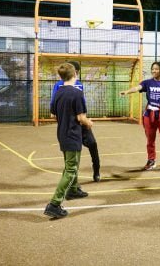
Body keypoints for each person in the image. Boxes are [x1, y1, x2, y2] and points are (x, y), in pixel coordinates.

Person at [44, 63, 93, 219]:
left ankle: (73, 191)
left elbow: (53, 114)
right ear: (75, 74)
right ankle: (54, 204)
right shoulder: (76, 93)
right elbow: (80, 117)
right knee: (71, 169)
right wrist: (89, 122)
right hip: (72, 134)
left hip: (62, 133)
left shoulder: (58, 92)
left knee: (71, 164)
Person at [50, 61, 101, 182]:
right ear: (73, 72)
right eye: (75, 71)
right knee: (71, 153)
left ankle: (97, 170)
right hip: (70, 126)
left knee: (92, 144)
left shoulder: (79, 86)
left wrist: (85, 120)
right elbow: (53, 108)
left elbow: (81, 105)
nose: (76, 73)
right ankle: (72, 184)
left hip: (81, 123)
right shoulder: (59, 86)